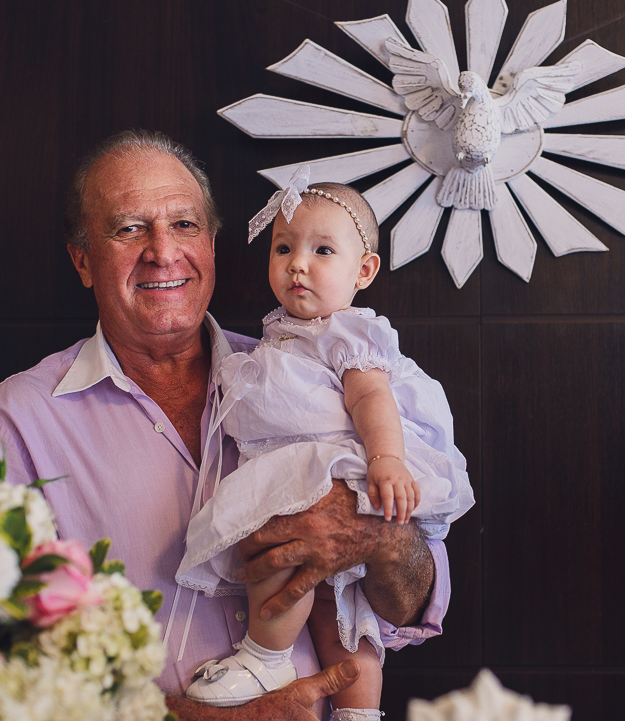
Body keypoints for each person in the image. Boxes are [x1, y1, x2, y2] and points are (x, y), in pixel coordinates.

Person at [0, 130, 452, 721]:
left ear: (214, 244)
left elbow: (410, 602)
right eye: (128, 228)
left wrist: (378, 535)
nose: (162, 252)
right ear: (83, 258)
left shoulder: (302, 381)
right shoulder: (18, 424)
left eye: (185, 226)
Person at [175, 169, 474, 720]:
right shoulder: (280, 334)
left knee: (279, 558)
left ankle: (266, 655)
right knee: (342, 614)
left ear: (363, 271)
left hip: (336, 468)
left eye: (323, 250)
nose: (298, 264)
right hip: (309, 469)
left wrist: (386, 459)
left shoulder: (348, 332)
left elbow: (370, 400)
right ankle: (358, 713)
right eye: (283, 247)